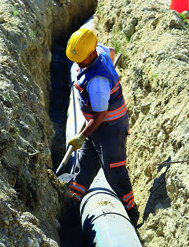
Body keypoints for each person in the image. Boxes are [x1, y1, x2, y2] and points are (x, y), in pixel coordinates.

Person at [64, 28, 140, 228]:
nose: (78, 63)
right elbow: (111, 50)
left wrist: (81, 136)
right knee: (84, 167)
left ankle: (131, 210)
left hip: (110, 129)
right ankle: (71, 209)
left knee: (114, 171)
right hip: (95, 128)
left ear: (91, 54)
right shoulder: (98, 51)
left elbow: (101, 115)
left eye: (80, 59)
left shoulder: (98, 81)